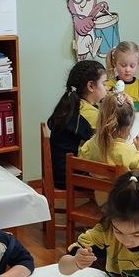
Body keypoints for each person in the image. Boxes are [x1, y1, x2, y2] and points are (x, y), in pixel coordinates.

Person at [78, 91, 139, 205]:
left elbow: (82, 156)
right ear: (127, 128)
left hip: (100, 200)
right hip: (123, 204)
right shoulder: (126, 151)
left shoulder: (93, 142)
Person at [47, 59, 108, 189]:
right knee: (118, 170)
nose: (106, 88)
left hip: (60, 170)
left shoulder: (72, 103)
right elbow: (110, 137)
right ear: (91, 86)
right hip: (69, 176)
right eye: (104, 84)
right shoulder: (89, 114)